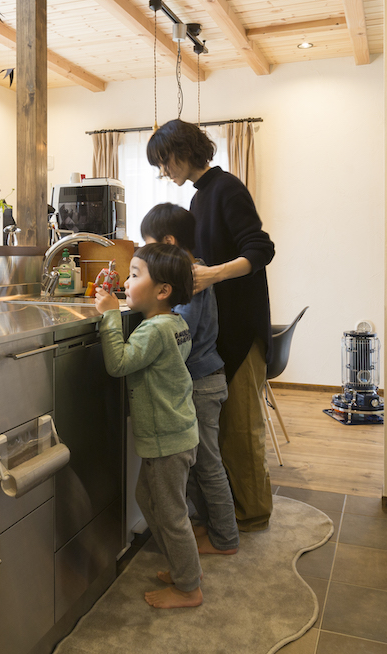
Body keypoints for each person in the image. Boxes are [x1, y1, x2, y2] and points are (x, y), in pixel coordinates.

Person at [146, 119, 276, 532]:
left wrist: (214, 274)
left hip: (243, 327)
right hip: (223, 332)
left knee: (242, 430)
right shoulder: (200, 197)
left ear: (183, 151)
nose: (164, 171)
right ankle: (232, 511)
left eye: (164, 161)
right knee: (225, 434)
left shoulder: (226, 189)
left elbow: (261, 248)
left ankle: (253, 515)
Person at [95, 242, 203, 609]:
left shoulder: (153, 331)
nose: (126, 282)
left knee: (171, 515)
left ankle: (189, 587)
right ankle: (183, 568)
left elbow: (119, 364)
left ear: (162, 291)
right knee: (148, 500)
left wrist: (111, 315)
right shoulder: (175, 323)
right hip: (177, 433)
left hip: (167, 441)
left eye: (134, 275)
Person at [140, 203, 239, 556]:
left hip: (202, 382)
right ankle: (209, 525)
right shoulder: (193, 272)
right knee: (199, 464)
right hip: (203, 379)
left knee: (208, 464)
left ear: (168, 242)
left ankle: (225, 538)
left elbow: (183, 331)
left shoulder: (191, 278)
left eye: (150, 246)